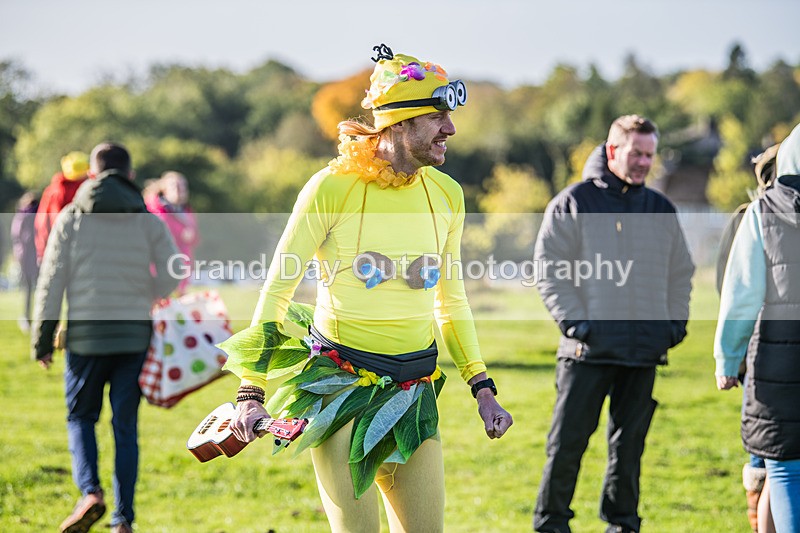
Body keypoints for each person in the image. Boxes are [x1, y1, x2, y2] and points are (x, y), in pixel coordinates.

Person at [224, 45, 512, 533]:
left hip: (413, 395)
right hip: (339, 393)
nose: (451, 128)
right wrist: (251, 389)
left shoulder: (447, 194)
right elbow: (278, 289)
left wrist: (481, 386)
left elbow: (451, 299)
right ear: (398, 124)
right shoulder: (329, 188)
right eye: (438, 116)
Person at [532, 115, 695, 533]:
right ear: (612, 151)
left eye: (649, 155)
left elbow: (682, 273)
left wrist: (672, 327)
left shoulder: (660, 208)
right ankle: (551, 524)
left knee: (629, 449)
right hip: (587, 351)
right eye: (636, 153)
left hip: (643, 352)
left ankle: (623, 524)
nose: (644, 162)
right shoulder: (574, 202)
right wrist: (579, 326)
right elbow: (549, 270)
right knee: (566, 446)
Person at [31, 142, 178, 533]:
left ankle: (90, 492)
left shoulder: (71, 218)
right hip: (134, 337)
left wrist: (43, 340)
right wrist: (148, 290)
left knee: (81, 416)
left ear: (92, 175)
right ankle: (122, 520)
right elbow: (172, 271)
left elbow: (51, 282)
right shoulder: (147, 218)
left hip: (85, 338)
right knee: (125, 426)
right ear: (130, 175)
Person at [714, 122, 800, 533]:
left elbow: (739, 294)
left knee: (783, 471)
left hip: (775, 364)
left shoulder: (760, 213)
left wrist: (727, 359)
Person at [144, 170, 199, 294]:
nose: (180, 190)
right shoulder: (154, 209)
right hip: (159, 269)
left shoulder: (186, 211)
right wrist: (183, 233)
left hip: (182, 266)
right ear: (165, 189)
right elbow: (162, 235)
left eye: (183, 186)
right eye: (175, 186)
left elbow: (195, 239)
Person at [34, 151, 90, 263]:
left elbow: (42, 224)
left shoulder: (53, 191)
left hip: (57, 248)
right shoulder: (90, 189)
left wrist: (42, 252)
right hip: (87, 252)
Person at [10, 191, 40, 331]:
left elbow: (16, 237)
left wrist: (18, 255)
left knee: (28, 290)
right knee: (39, 288)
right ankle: (37, 317)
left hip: (27, 256)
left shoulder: (21, 216)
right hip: (37, 255)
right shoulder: (38, 213)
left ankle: (27, 318)